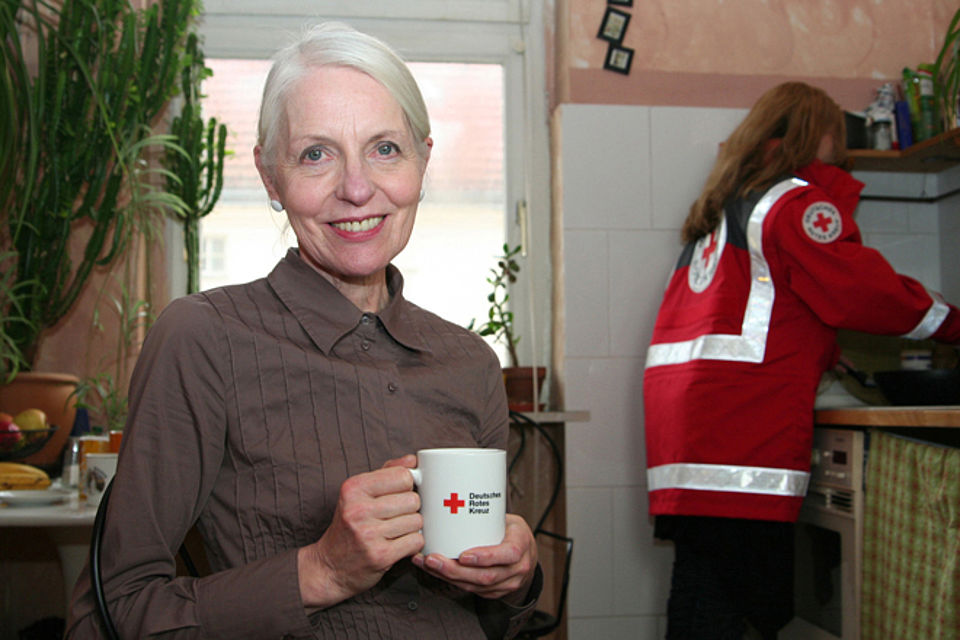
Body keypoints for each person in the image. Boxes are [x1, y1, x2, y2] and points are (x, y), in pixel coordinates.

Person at [66, 22, 540, 639]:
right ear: (270, 177)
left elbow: (497, 614)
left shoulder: (470, 361)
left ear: (423, 160)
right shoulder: (203, 339)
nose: (357, 187)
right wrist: (321, 572)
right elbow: (106, 616)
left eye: (385, 149)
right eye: (316, 154)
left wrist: (514, 577)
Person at [642, 81, 960, 640]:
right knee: (747, 603)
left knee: (700, 589)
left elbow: (766, 310)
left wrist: (824, 352)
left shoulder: (727, 206)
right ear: (819, 133)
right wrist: (953, 324)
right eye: (838, 131)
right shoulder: (795, 201)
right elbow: (866, 292)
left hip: (691, 431)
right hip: (741, 433)